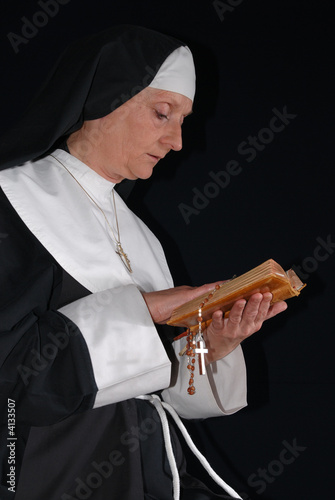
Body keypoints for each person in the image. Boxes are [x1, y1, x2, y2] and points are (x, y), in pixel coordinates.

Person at [0, 25, 287, 500]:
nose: (177, 141)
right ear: (103, 99)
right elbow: (14, 373)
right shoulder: (12, 199)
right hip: (40, 472)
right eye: (161, 114)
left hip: (144, 471)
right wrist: (145, 309)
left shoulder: (142, 236)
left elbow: (145, 385)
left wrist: (207, 346)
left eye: (183, 120)